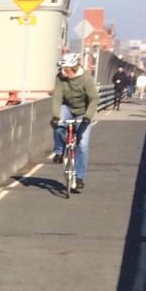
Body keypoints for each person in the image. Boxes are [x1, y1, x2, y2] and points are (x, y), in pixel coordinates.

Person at [50, 52, 99, 192]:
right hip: (67, 107)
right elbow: (57, 98)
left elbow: (94, 99)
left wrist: (87, 116)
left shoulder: (86, 79)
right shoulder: (60, 78)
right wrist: (55, 116)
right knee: (59, 125)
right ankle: (59, 151)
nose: (61, 72)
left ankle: (79, 177)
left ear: (71, 68)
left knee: (82, 144)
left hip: (83, 111)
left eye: (63, 69)